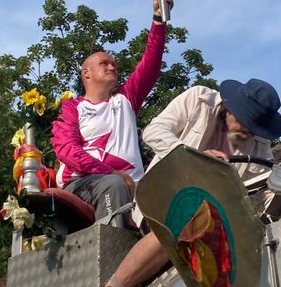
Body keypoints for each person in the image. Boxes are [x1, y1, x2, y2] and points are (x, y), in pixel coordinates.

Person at [106, 78, 281, 287]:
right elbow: (153, 132)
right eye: (246, 123)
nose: (249, 133)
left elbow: (262, 191)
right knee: (185, 224)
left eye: (255, 128)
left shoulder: (261, 146)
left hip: (219, 220)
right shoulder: (198, 99)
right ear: (230, 108)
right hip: (163, 199)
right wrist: (193, 158)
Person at [51, 0, 174, 229]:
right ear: (86, 73)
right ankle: (113, 260)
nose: (112, 67)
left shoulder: (125, 99)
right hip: (85, 182)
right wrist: (110, 172)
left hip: (137, 188)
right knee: (114, 186)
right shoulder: (73, 108)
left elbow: (150, 63)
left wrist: (159, 19)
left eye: (114, 64)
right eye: (104, 63)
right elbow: (66, 150)